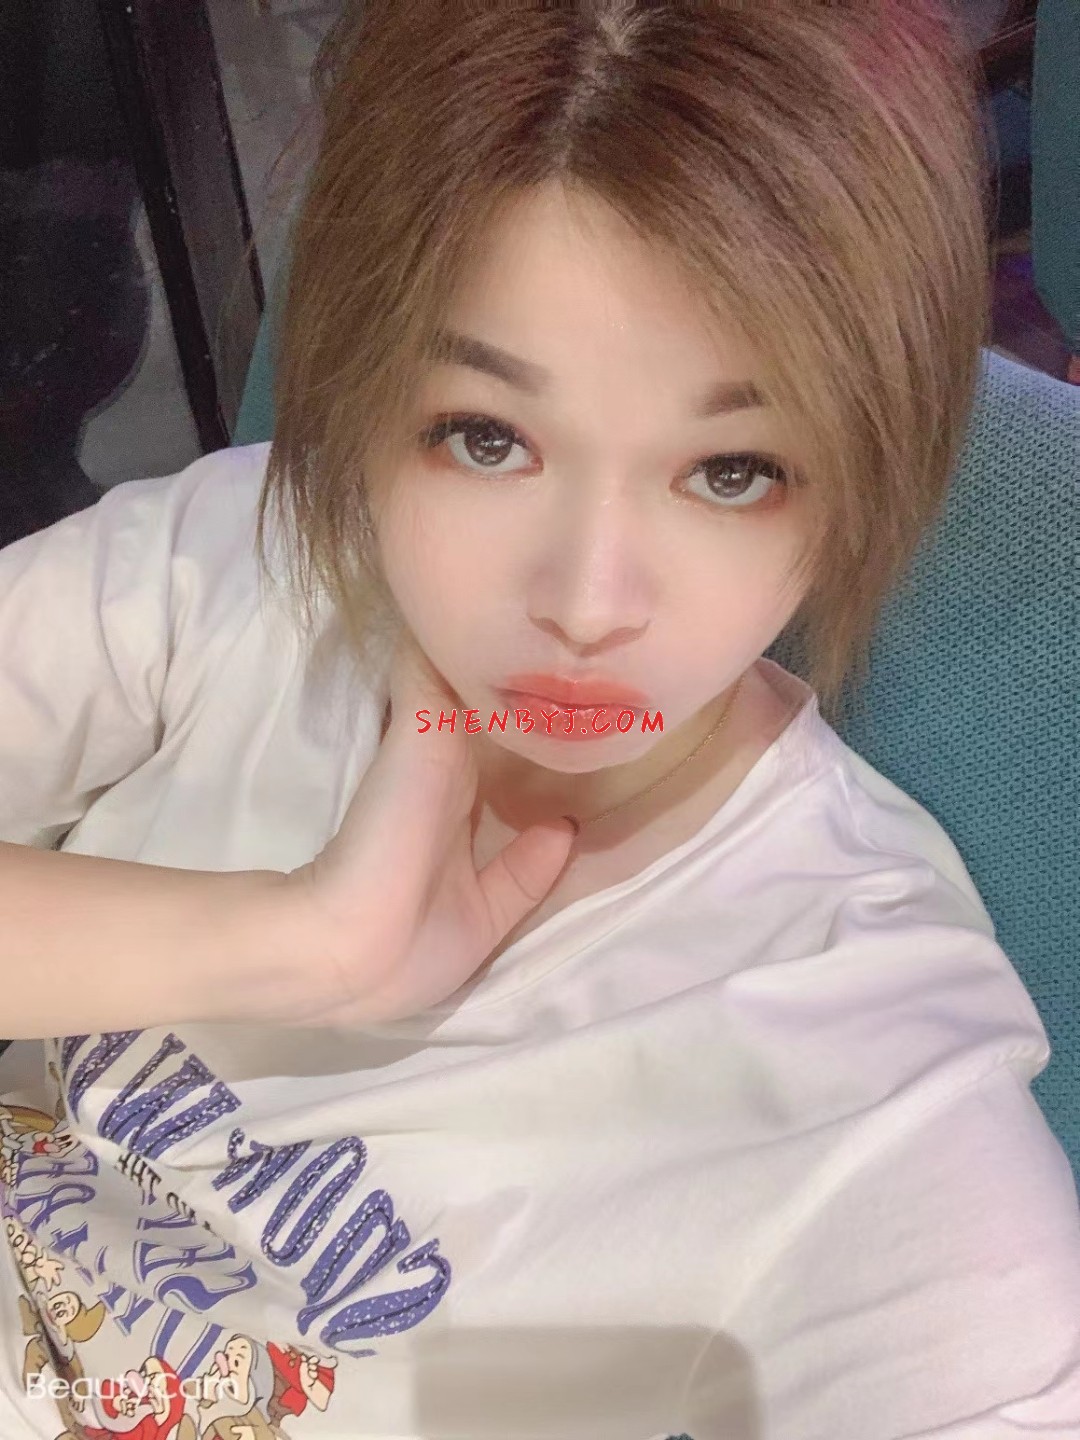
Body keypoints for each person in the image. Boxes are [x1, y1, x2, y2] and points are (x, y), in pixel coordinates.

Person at [0, 1, 1078, 1436]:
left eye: (733, 471)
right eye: (487, 438)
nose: (585, 602)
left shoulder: (863, 1076)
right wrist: (300, 942)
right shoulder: (243, 562)